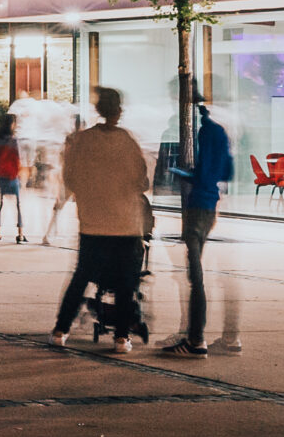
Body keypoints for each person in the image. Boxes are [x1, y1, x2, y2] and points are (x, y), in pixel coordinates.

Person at [52, 87, 151, 352]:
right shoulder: (126, 141)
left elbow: (70, 178)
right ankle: (121, 336)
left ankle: (61, 329)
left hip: (92, 222)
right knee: (125, 282)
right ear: (118, 111)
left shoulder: (82, 141)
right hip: (125, 224)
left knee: (81, 277)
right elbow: (142, 181)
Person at [161, 102, 236, 357]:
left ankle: (195, 339)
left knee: (196, 276)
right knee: (197, 274)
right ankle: (197, 336)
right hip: (210, 204)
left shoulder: (204, 133)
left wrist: (184, 174)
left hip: (197, 205)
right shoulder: (220, 132)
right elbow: (228, 170)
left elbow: (203, 173)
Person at [0, 112, 26, 243]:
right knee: (18, 205)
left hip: (2, 177)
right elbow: (17, 160)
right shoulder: (14, 141)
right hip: (13, 177)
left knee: (1, 204)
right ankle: (20, 234)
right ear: (12, 125)